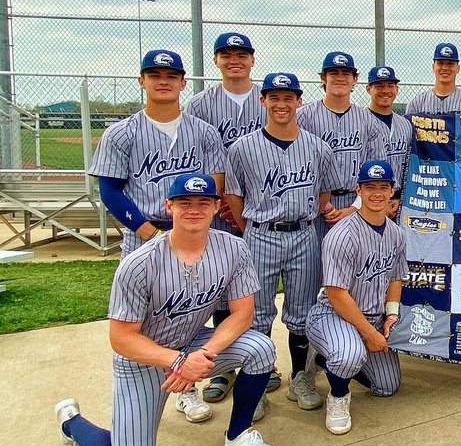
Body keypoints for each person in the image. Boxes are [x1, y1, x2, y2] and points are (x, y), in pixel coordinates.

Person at [53, 173, 279, 446]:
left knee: (261, 349)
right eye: (184, 202)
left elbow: (243, 314)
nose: (194, 209)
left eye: (204, 202)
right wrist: (177, 362)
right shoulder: (139, 263)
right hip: (142, 359)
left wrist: (202, 355)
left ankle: (238, 436)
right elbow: (121, 338)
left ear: (216, 207)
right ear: (168, 206)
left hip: (192, 345)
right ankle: (72, 423)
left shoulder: (234, 248)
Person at [88, 48, 226, 423]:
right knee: (141, 318)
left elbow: (215, 184)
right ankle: (134, 386)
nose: (163, 81)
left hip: (195, 233)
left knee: (191, 311)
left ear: (183, 83)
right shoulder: (121, 133)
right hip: (144, 232)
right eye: (154, 74)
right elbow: (110, 191)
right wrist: (147, 232)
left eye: (170, 75)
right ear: (142, 81)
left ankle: (186, 388)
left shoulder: (203, 132)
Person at [225, 72, 337, 417]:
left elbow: (323, 194)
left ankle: (301, 379)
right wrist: (255, 228)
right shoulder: (243, 147)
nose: (281, 104)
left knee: (302, 315)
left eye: (288, 97)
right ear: (264, 101)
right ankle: (256, 386)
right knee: (255, 317)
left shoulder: (318, 147)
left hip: (304, 232)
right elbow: (232, 194)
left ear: (299, 101)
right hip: (261, 233)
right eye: (274, 97)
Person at [184, 33, 267, 408]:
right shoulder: (200, 105)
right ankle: (221, 368)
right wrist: (220, 204)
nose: (235, 60)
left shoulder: (268, 100)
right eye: (227, 55)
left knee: (252, 291)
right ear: (216, 60)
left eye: (242, 55)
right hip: (215, 208)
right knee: (219, 288)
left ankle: (256, 359)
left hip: (263, 206)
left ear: (252, 60)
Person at [305, 160, 408, 434]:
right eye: (370, 187)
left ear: (391, 192)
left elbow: (396, 277)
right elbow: (337, 295)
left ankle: (326, 360)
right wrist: (369, 334)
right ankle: (338, 396)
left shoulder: (396, 233)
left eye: (383, 187)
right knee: (349, 354)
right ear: (358, 190)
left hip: (373, 316)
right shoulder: (342, 234)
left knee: (387, 386)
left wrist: (392, 315)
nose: (377, 193)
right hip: (334, 315)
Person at [297, 51, 387, 240]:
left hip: (357, 202)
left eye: (345, 74)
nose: (340, 78)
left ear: (355, 79)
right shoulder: (303, 116)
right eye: (333, 73)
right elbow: (296, 165)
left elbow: (377, 168)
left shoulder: (368, 121)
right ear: (323, 78)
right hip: (313, 203)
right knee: (315, 267)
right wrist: (325, 205)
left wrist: (355, 207)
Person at [363, 65, 413, 214]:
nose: (385, 91)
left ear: (397, 90)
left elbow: (408, 167)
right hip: (369, 201)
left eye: (390, 85)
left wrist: (398, 198)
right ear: (368, 89)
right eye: (379, 86)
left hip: (399, 201)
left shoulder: (405, 124)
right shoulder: (360, 122)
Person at [405, 43, 461, 115]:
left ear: (458, 68)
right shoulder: (416, 103)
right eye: (440, 63)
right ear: (433, 67)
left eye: (450, 63)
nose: (445, 68)